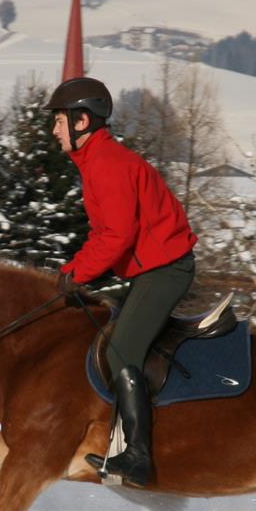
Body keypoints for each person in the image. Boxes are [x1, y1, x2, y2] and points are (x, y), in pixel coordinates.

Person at [46, 76, 197, 488]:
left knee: (120, 351)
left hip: (165, 269)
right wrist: (72, 270)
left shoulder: (107, 165)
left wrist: (74, 275)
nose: (54, 130)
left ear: (81, 122)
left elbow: (116, 236)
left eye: (59, 121)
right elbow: (106, 237)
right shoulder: (97, 162)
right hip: (148, 269)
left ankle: (137, 457)